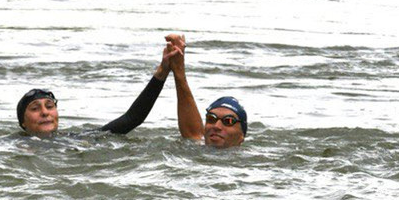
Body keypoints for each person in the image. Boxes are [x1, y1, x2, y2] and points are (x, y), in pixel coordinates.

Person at [16, 40, 181, 138]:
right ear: (23, 122)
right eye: (35, 108)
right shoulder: (12, 146)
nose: (45, 112)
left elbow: (132, 119)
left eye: (50, 106)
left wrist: (162, 72)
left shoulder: (76, 139)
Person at [166, 33, 247, 148]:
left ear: (241, 136)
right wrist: (178, 70)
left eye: (228, 121)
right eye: (211, 119)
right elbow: (193, 133)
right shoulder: (197, 149)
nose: (217, 126)